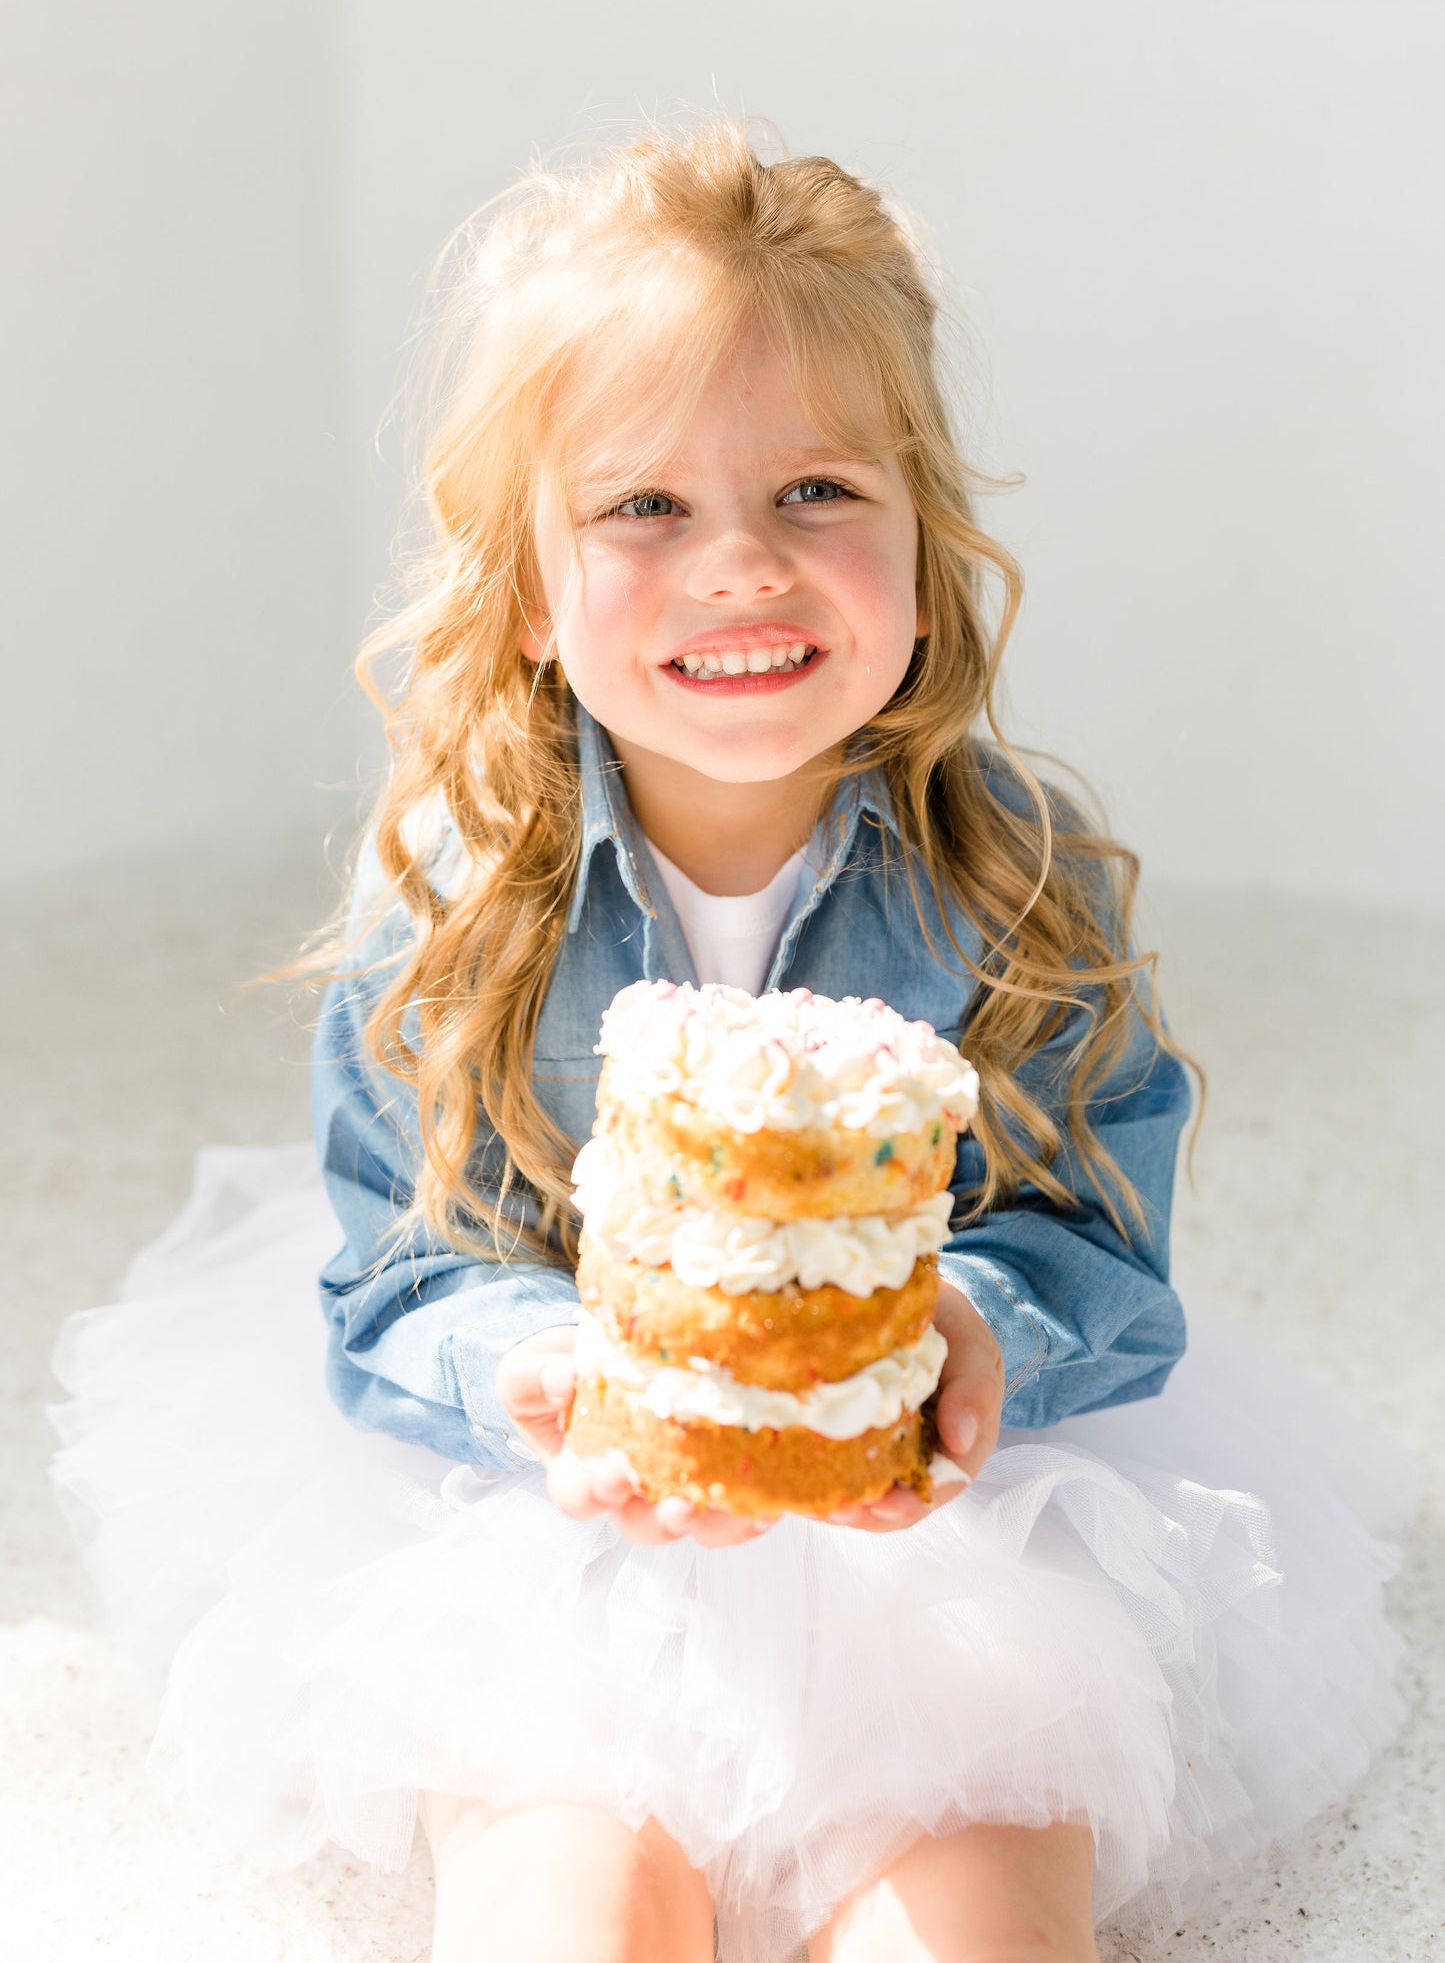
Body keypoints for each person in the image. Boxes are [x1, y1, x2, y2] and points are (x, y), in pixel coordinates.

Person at [51, 122, 1418, 1963]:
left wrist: (957, 1327)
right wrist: (553, 1377)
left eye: (818, 494)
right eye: (643, 510)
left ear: (924, 553)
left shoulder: (1015, 889)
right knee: (573, 1908)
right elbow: (407, 1270)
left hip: (947, 1534)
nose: (739, 569)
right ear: (530, 592)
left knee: (974, 1926)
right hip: (557, 1521)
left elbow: (1092, 1240)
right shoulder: (458, 905)